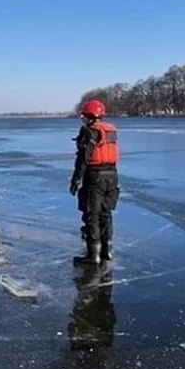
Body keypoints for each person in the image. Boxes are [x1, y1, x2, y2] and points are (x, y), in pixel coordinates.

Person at [68, 98, 119, 265]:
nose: (82, 119)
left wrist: (76, 179)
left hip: (95, 176)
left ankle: (93, 255)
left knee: (92, 215)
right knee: (106, 213)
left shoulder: (89, 131)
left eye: (84, 116)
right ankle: (107, 251)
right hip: (112, 175)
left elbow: (83, 158)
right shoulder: (110, 130)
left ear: (90, 116)